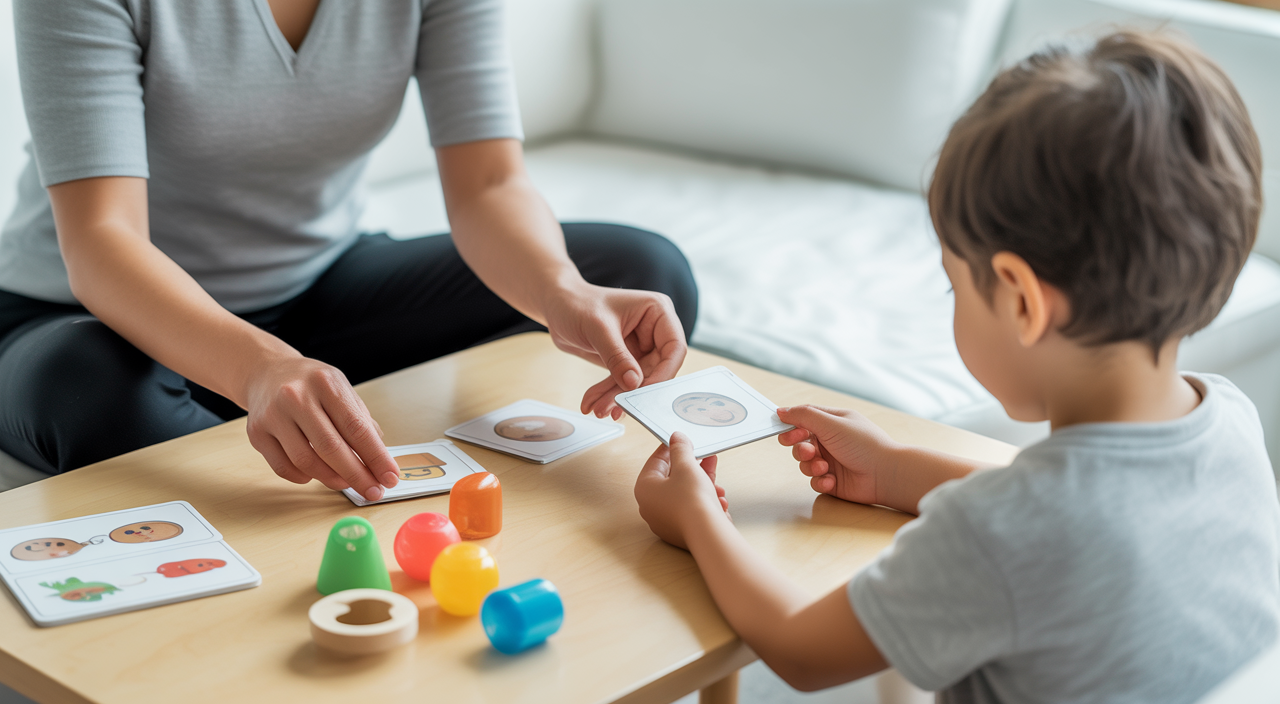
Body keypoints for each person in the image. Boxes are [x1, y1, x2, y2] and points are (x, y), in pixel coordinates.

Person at [633, 31, 1280, 702]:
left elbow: (801, 648)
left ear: (1023, 302)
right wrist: (892, 468)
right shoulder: (1229, 421)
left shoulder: (1001, 533)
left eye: (954, 284)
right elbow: (1073, 507)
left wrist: (696, 519)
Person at [0, 0, 697, 501]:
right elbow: (103, 239)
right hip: (89, 319)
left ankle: (285, 426)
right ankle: (282, 431)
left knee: (640, 275)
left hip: (320, 287)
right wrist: (262, 369)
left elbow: (488, 183)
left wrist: (562, 291)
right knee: (91, 390)